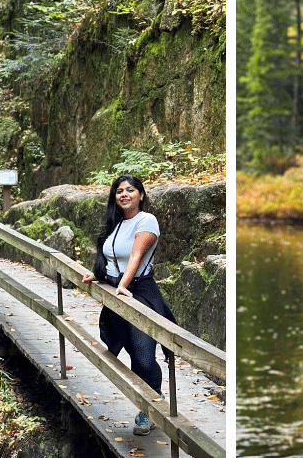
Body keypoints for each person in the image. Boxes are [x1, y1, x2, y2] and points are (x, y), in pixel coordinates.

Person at [79, 174, 175, 437]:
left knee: (144, 357)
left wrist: (123, 284)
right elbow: (110, 255)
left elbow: (136, 254)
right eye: (119, 191)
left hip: (139, 293)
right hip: (118, 294)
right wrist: (97, 274)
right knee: (130, 350)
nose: (124, 194)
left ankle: (151, 407)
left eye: (130, 190)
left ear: (141, 195)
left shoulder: (147, 220)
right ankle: (149, 401)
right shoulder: (116, 223)